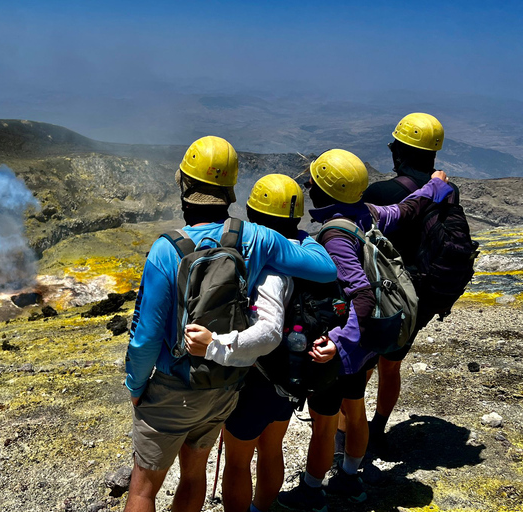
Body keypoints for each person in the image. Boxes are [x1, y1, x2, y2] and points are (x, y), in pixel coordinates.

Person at [123, 136, 338, 512]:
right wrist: (305, 236)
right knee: (193, 476)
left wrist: (136, 386)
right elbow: (324, 269)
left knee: (143, 491)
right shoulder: (257, 238)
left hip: (172, 387)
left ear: (186, 187)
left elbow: (145, 337)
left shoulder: (166, 249)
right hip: (223, 385)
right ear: (230, 191)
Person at [277, 149, 452, 512]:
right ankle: (351, 479)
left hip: (345, 343)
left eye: (314, 182)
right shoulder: (367, 214)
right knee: (355, 409)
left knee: (325, 425)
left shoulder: (334, 236)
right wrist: (434, 187)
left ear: (322, 191)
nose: (309, 185)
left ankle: (312, 492)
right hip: (368, 341)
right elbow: (406, 209)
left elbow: (361, 297)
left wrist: (337, 345)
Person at [183, 174, 316, 512]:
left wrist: (215, 345)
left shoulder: (271, 267)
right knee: (272, 450)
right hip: (290, 373)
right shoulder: (302, 253)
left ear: (254, 216)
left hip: (259, 377)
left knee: (239, 463)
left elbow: (269, 331)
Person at [360, 112, 450, 454]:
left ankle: (347, 431)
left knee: (364, 361)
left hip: (383, 293)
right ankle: (378, 428)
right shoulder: (444, 190)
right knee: (391, 364)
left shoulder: (382, 192)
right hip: (421, 295)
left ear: (398, 151)